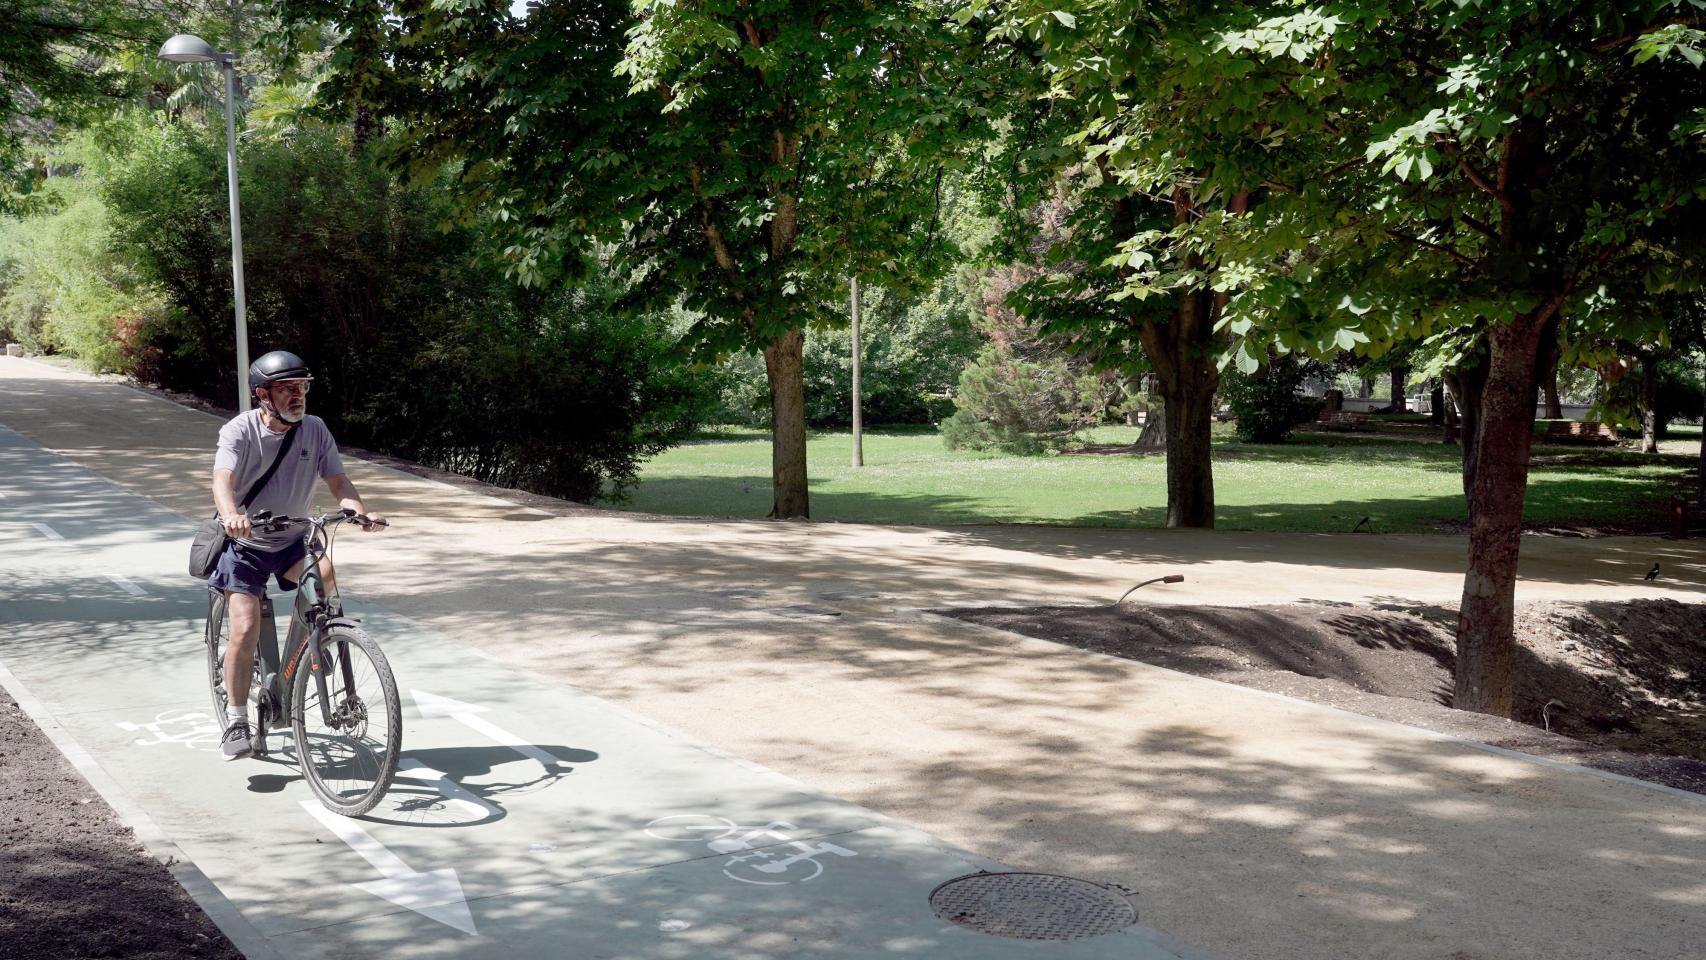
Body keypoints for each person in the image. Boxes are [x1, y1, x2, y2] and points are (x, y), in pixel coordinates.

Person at [208, 350, 386, 760]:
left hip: (293, 541)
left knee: (325, 574)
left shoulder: (315, 429)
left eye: (302, 386)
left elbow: (338, 480)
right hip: (247, 545)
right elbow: (222, 479)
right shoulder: (239, 431)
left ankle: (309, 648)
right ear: (262, 395)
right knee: (245, 628)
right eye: (286, 388)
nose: (297, 395)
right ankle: (236, 719)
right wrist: (232, 514)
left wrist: (359, 513)